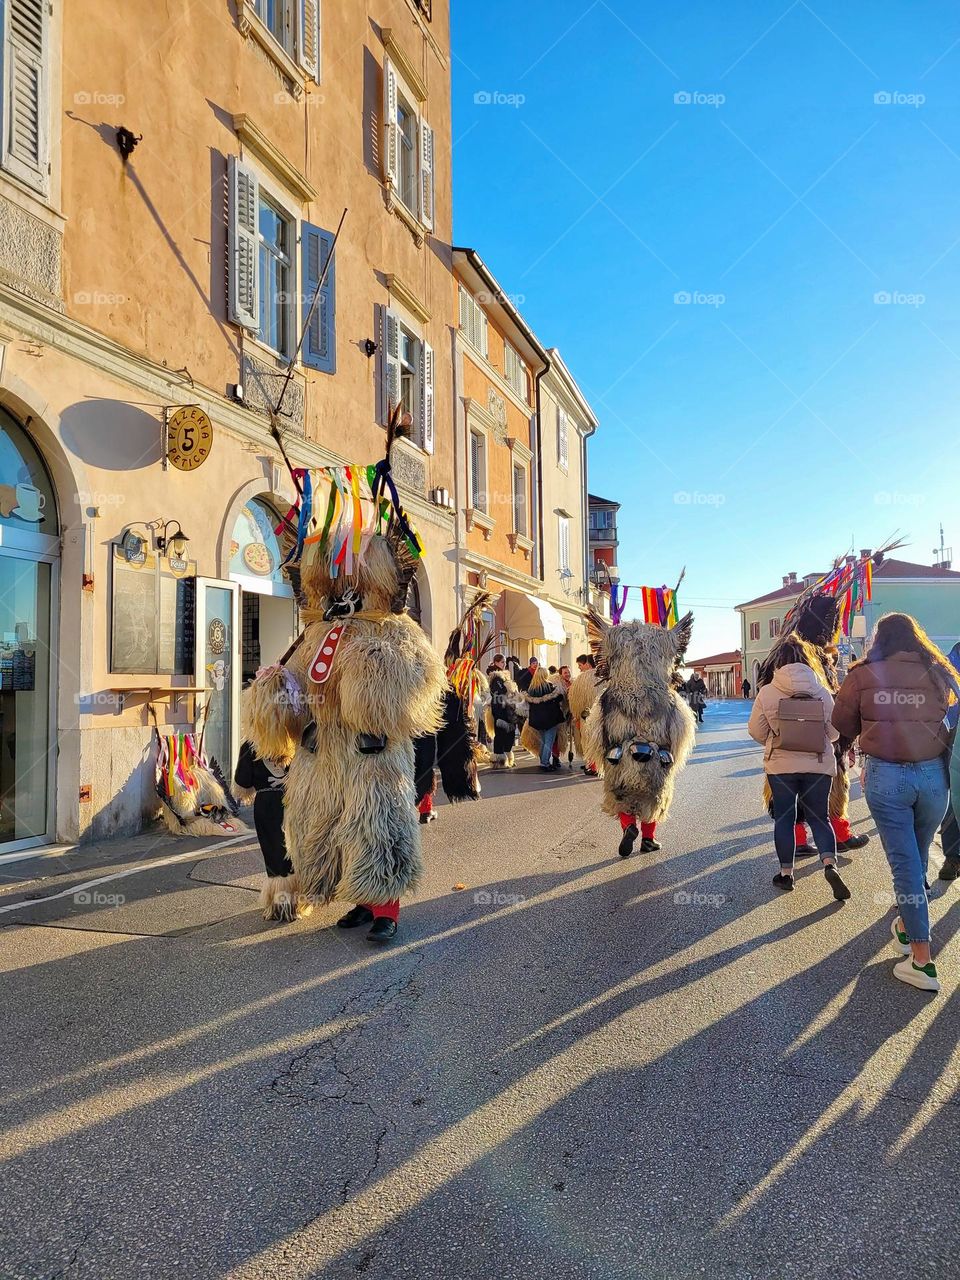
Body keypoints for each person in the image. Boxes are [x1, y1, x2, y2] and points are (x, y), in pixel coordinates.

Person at [833, 613, 956, 992]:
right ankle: (905, 926)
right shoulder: (938, 671)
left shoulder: (862, 673)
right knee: (916, 859)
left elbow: (841, 723)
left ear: (879, 640)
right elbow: (949, 710)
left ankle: (922, 960)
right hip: (935, 778)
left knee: (904, 866)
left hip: (887, 777)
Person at [747, 635, 851, 901]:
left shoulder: (768, 691)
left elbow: (755, 730)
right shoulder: (822, 691)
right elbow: (835, 733)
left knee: (785, 818)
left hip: (781, 767)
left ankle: (786, 874)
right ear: (808, 660)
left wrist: (775, 741)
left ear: (778, 662)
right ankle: (829, 864)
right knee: (820, 818)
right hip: (818, 765)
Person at [234, 738, 299, 921]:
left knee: (273, 853)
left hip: (267, 804)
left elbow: (243, 781)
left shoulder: (250, 745)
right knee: (293, 852)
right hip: (294, 802)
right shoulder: (294, 740)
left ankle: (281, 906)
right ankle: (297, 902)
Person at [521, 665, 567, 771]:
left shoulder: (532, 689)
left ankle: (543, 761)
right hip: (550, 719)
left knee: (543, 741)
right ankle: (545, 763)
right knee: (549, 742)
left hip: (537, 720)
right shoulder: (549, 687)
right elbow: (558, 698)